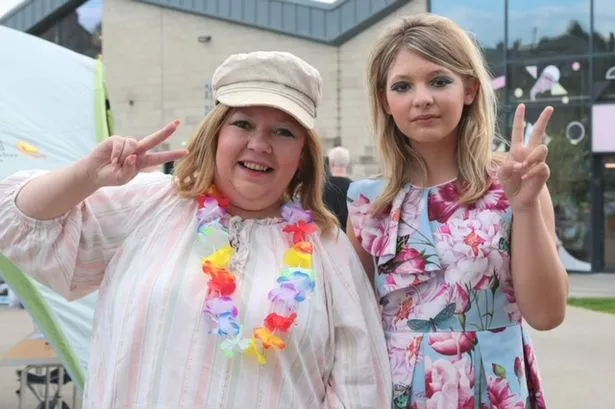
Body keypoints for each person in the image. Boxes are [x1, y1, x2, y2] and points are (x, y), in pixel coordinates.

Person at [0, 51, 392, 408]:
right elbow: (14, 226)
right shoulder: (150, 204)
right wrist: (86, 176)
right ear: (216, 134)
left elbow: (360, 384)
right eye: (243, 123)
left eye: (283, 131)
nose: (260, 144)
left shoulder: (327, 248)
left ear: (303, 154)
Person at [346, 14, 568, 408]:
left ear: (469, 89)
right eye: (402, 86)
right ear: (386, 101)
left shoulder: (515, 184)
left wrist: (527, 206)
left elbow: (547, 314)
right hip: (396, 392)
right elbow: (354, 328)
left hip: (495, 388)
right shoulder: (367, 204)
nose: (422, 98)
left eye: (439, 80)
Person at [323, 146, 352, 231]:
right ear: (347, 164)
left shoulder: (319, 187)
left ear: (331, 163)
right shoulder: (355, 187)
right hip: (348, 239)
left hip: (326, 235)